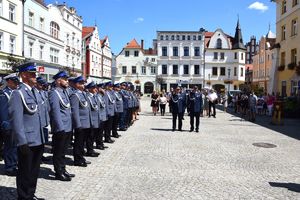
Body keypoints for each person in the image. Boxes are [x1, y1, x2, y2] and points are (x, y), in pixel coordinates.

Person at [9, 63, 45, 200]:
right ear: (24, 75)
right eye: (32, 74)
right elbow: (16, 120)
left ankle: (30, 194)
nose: (35, 76)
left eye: (35, 74)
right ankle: (24, 197)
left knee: (34, 171)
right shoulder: (18, 94)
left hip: (38, 138)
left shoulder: (35, 92)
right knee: (25, 171)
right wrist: (21, 142)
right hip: (27, 141)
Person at [49, 71, 75, 181]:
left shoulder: (64, 92)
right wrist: (60, 128)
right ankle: (58, 172)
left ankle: (63, 169)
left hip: (67, 127)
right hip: (61, 128)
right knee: (58, 151)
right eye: (65, 79)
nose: (67, 81)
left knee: (63, 151)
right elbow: (55, 112)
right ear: (58, 81)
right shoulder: (54, 93)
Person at [0, 73, 19, 176]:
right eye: (15, 82)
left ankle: (14, 164)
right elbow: (3, 111)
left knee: (15, 146)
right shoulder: (4, 94)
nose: (17, 84)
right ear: (9, 82)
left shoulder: (15, 92)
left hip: (16, 124)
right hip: (9, 125)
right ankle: (9, 167)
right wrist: (6, 125)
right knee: (9, 147)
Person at [70, 76, 91, 167]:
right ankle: (77, 159)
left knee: (82, 142)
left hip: (86, 122)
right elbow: (75, 111)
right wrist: (77, 125)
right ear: (76, 84)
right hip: (81, 123)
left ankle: (81, 157)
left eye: (83, 83)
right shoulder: (75, 95)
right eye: (81, 83)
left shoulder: (83, 94)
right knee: (78, 142)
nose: (83, 85)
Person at [85, 82, 100, 157]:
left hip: (95, 119)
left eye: (96, 88)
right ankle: (89, 151)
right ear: (90, 88)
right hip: (91, 119)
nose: (95, 89)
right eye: (94, 88)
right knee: (90, 136)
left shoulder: (94, 96)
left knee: (93, 136)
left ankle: (91, 149)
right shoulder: (88, 97)